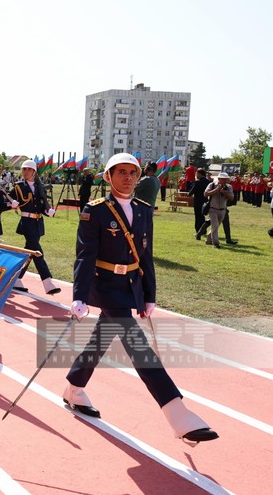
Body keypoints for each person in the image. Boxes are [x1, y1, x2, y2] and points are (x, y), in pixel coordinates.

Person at [63, 152, 217, 445]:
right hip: (105, 286)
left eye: (133, 172)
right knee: (138, 347)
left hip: (130, 286)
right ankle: (177, 413)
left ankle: (73, 387)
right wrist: (79, 296)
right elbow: (85, 255)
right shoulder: (94, 210)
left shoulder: (144, 209)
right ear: (108, 177)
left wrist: (149, 295)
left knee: (101, 339)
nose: (128, 177)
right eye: (120, 172)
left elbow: (145, 255)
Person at [11, 159, 60, 295]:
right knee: (38, 252)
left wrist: (47, 211)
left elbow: (42, 205)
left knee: (29, 253)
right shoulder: (18, 186)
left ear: (34, 171)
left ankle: (15, 277)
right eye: (24, 169)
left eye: (28, 169)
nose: (25, 171)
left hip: (38, 223)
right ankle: (47, 281)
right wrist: (12, 203)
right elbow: (7, 199)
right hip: (27, 222)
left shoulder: (39, 187)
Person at [201, 172, 234, 248]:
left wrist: (225, 193)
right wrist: (217, 190)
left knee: (215, 227)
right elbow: (206, 194)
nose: (225, 181)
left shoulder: (229, 187)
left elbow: (232, 198)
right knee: (215, 225)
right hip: (213, 209)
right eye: (223, 179)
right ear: (219, 179)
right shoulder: (212, 185)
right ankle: (216, 243)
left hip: (223, 209)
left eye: (226, 179)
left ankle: (209, 240)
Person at [187, 169, 211, 236]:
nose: (196, 175)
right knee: (202, 217)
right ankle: (203, 230)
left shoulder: (198, 182)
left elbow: (191, 192)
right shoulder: (208, 182)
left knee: (198, 218)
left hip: (198, 202)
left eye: (197, 174)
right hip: (206, 202)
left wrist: (189, 193)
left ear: (200, 174)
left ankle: (198, 232)